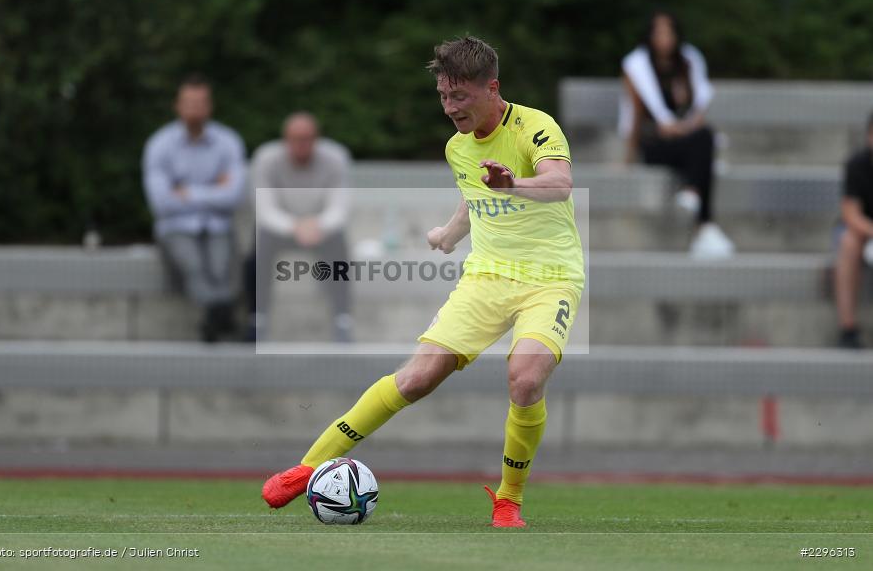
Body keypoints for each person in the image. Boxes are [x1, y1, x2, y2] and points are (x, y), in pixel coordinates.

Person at [261, 37, 585, 528]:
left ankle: (508, 500)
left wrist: (512, 183)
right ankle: (307, 467)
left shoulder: (535, 126)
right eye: (442, 96)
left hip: (551, 279)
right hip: (487, 278)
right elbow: (474, 199)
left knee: (524, 377)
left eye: (460, 97)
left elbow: (559, 183)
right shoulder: (458, 148)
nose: (450, 107)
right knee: (415, 379)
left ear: (491, 88)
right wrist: (448, 233)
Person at [620, 11, 734, 258]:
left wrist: (684, 127)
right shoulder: (637, 67)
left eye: (668, 32)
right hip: (655, 143)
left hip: (686, 141)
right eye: (659, 33)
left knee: (704, 138)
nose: (664, 39)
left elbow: (699, 109)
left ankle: (694, 194)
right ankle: (703, 221)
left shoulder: (688, 62)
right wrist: (627, 159)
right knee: (704, 144)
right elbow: (638, 115)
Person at [142, 74, 246, 342]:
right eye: (189, 102)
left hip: (218, 224)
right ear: (177, 105)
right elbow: (161, 202)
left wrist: (186, 191)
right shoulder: (159, 145)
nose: (195, 109)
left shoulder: (228, 142)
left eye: (200, 102)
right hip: (176, 227)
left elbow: (233, 196)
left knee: (223, 268)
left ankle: (214, 319)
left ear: (209, 106)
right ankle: (221, 315)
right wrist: (213, 188)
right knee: (194, 266)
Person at [243, 112, 352, 342]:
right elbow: (263, 209)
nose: (301, 145)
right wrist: (294, 226)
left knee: (340, 249)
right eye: (296, 138)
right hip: (281, 228)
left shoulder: (336, 158)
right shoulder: (266, 159)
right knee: (256, 250)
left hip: (318, 228)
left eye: (307, 138)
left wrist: (318, 225)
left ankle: (342, 319)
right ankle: (256, 317)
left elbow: (340, 207)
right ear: (285, 139)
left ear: (316, 138)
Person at [834, 112, 873, 349]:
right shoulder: (857, 165)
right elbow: (851, 214)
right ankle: (847, 327)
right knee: (848, 242)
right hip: (862, 231)